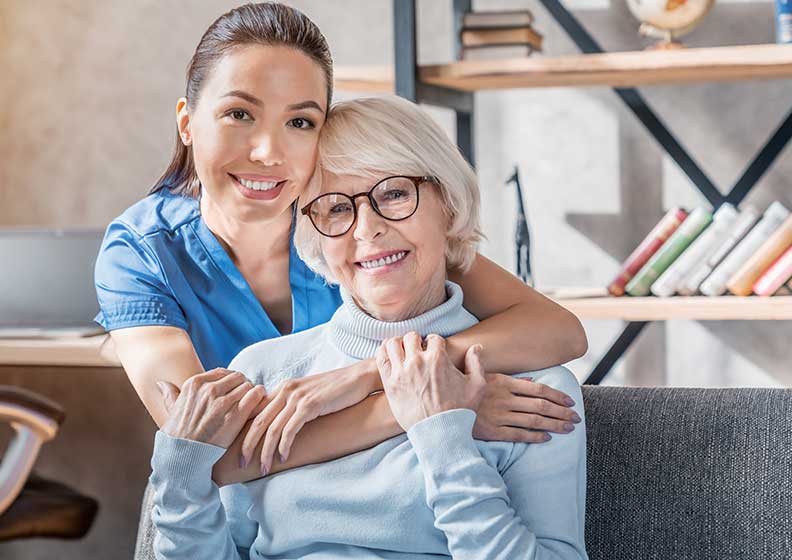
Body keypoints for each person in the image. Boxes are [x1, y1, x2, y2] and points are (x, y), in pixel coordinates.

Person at [94, 2, 587, 478]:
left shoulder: (350, 229)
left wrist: (369, 375)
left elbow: (559, 330)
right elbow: (213, 456)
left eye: (300, 122)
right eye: (239, 114)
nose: (268, 152)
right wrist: (427, 405)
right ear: (187, 122)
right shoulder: (142, 253)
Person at [150, 95, 588, 559]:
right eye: (336, 208)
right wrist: (179, 479)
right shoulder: (264, 372)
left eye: (395, 194)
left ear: (448, 204)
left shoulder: (535, 391)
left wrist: (443, 439)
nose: (366, 228)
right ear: (313, 231)